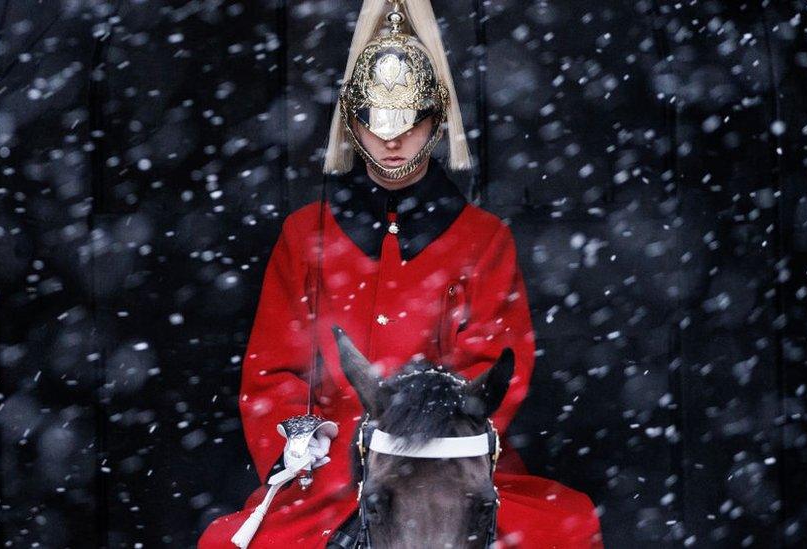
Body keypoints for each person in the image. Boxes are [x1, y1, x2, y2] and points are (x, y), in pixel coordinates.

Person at [198, 0, 603, 547]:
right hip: (332, 471)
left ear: (434, 120)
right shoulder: (304, 236)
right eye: (375, 122)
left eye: (409, 123)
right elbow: (271, 370)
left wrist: (434, 435)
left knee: (562, 531)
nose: (392, 140)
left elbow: (497, 362)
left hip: (449, 463)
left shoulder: (483, 238)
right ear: (353, 121)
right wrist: (297, 436)